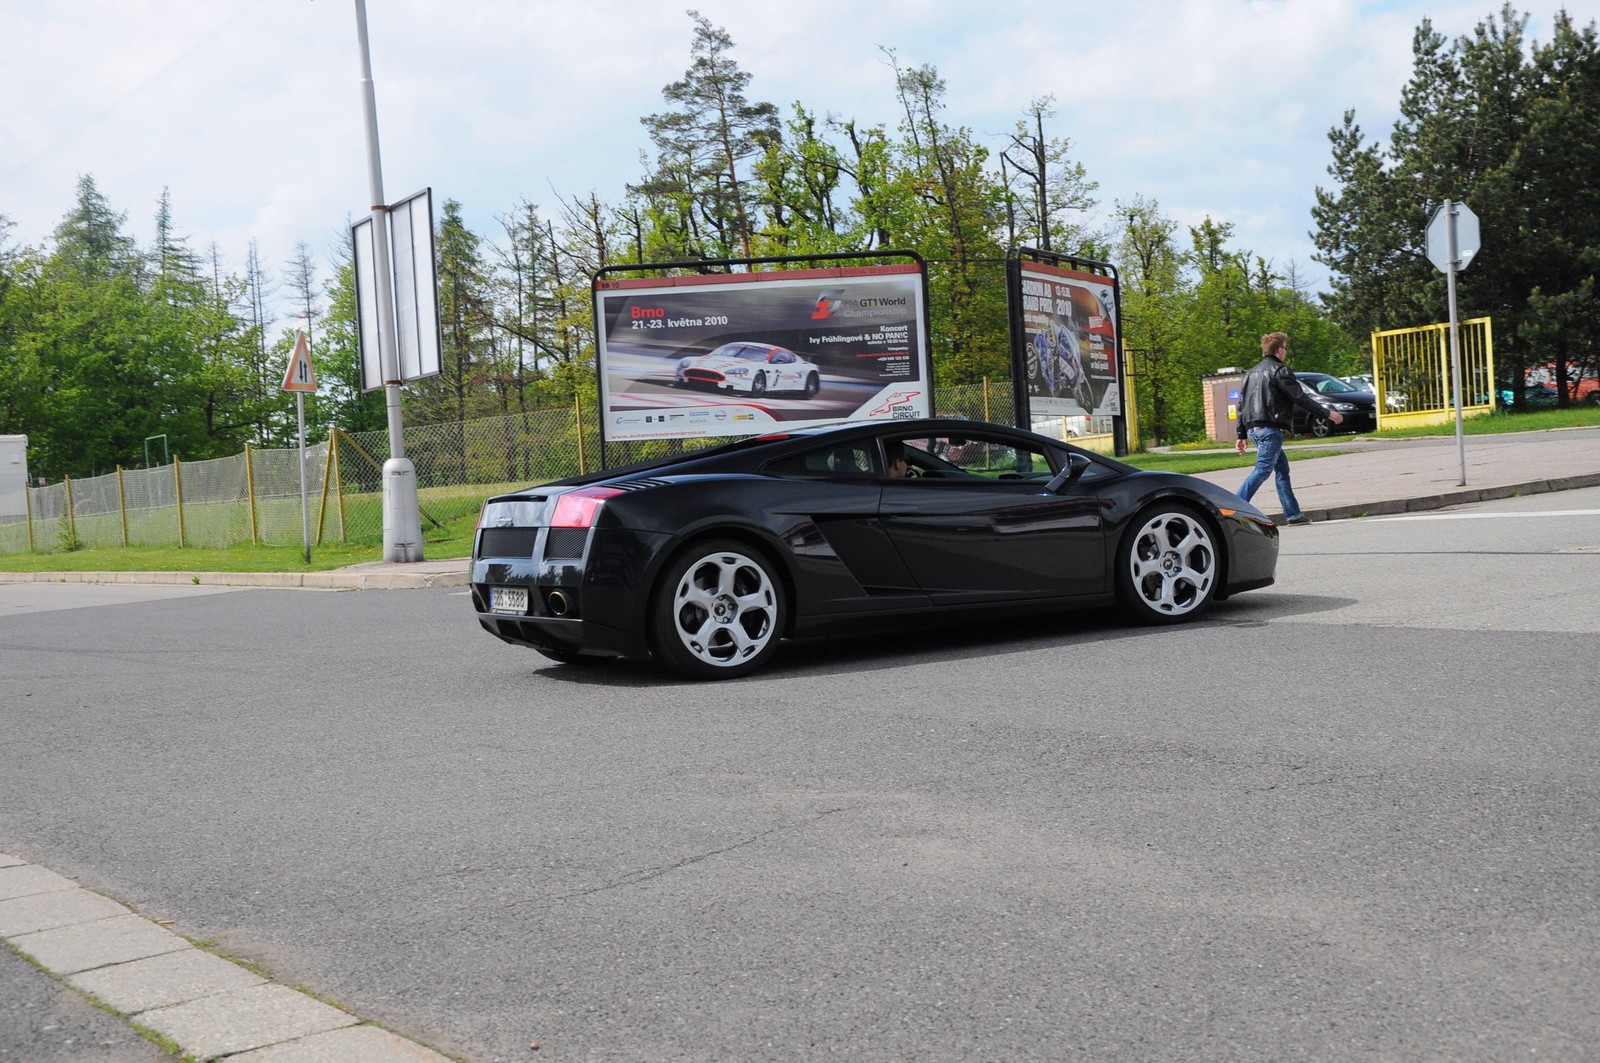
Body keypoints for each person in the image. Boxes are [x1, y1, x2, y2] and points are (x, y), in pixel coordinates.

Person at [1235, 332, 1341, 525]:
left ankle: (1293, 514)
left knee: (1282, 469)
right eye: (1285, 348)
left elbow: (1241, 405)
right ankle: (1234, 507)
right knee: (1263, 470)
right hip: (1270, 429)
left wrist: (1241, 434)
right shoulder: (1280, 370)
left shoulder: (1250, 373)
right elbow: (1300, 397)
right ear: (1279, 350)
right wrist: (1327, 414)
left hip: (1254, 430)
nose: (1286, 352)